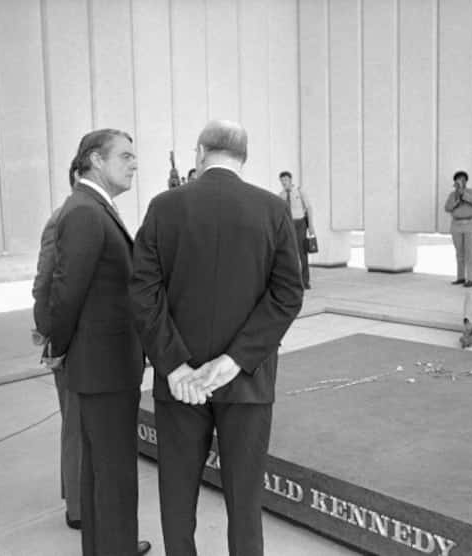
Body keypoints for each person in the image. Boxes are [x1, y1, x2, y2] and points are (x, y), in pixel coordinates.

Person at [130, 120, 303, 556]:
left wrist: (176, 365)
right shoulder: (272, 209)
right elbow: (287, 294)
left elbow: (143, 292)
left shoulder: (164, 206)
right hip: (247, 380)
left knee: (177, 495)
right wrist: (234, 361)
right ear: (243, 156)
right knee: (245, 501)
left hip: (180, 384)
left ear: (200, 151)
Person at [48, 129, 151, 556]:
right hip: (103, 366)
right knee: (114, 468)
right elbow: (67, 290)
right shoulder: (86, 212)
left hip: (103, 363)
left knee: (101, 467)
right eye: (125, 156)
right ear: (95, 160)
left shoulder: (91, 207)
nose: (134, 164)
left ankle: (107, 545)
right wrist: (58, 348)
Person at [31, 162, 81, 530]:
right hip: (73, 343)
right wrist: (50, 337)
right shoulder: (65, 217)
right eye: (122, 157)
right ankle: (79, 508)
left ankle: (78, 498)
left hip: (81, 341)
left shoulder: (82, 213)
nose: (132, 164)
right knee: (78, 427)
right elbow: (46, 282)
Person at [278, 170, 314, 289]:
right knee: (290, 253)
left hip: (300, 224)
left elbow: (308, 208)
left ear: (290, 180)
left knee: (302, 253)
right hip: (288, 225)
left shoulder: (299, 191)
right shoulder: (281, 195)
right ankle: (293, 281)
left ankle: (305, 281)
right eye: (282, 181)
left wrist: (311, 226)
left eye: (286, 180)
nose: (284, 183)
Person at [444, 170, 472, 287]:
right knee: (459, 253)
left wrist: (462, 193)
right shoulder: (452, 195)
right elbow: (448, 208)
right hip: (456, 225)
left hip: (470, 225)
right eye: (458, 180)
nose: (460, 182)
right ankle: (461, 277)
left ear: (466, 181)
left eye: (462, 180)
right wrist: (457, 199)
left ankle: (471, 279)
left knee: (470, 252)